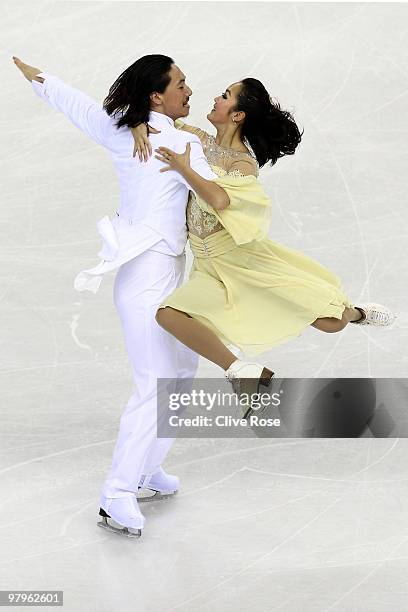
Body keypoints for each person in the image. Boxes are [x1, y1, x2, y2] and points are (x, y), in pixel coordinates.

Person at [12, 54, 229, 538]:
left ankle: (148, 469)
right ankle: (117, 494)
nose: (189, 89)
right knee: (154, 383)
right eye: (180, 83)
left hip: (175, 275)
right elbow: (80, 106)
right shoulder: (132, 132)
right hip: (143, 277)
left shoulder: (178, 136)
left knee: (182, 372)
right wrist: (40, 75)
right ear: (157, 95)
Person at [131, 76, 396, 418]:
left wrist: (185, 170)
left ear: (238, 115)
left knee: (330, 322)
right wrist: (138, 125)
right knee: (169, 315)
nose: (216, 98)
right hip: (209, 267)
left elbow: (221, 199)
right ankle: (242, 372)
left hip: (245, 262)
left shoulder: (242, 164)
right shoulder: (197, 140)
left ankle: (357, 313)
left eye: (225, 96)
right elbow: (158, 121)